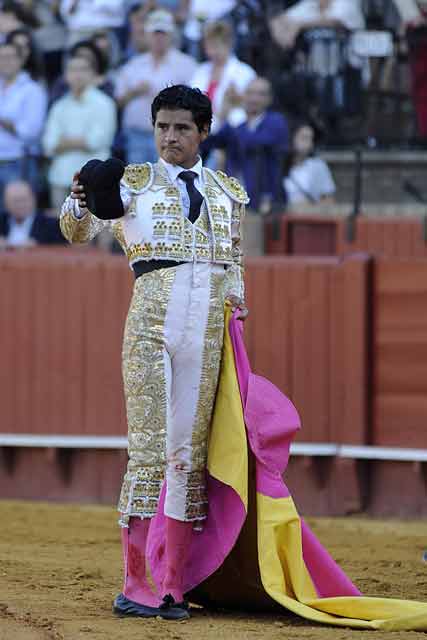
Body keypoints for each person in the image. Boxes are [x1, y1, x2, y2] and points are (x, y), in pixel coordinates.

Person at [59, 84, 248, 620]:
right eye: (162, 126)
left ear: (203, 132)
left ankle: (173, 584)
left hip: (207, 329)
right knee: (149, 449)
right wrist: (79, 193)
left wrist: (236, 319)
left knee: (187, 456)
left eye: (182, 128)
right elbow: (76, 232)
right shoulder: (131, 184)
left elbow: (234, 266)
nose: (170, 137)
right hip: (150, 326)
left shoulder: (228, 192)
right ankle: (135, 583)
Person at [115, 9, 197, 164]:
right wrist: (134, 92)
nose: (159, 38)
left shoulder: (187, 65)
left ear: (171, 35)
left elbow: (196, 102)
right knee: (138, 184)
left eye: (163, 34)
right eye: (155, 33)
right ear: (147, 35)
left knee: (168, 184)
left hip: (173, 136)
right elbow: (118, 101)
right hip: (136, 134)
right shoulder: (132, 66)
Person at [202, 76, 289, 210]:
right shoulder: (237, 124)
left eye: (261, 94)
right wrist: (221, 115)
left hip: (266, 202)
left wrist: (234, 114)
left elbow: (251, 142)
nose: (254, 99)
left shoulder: (276, 122)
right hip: (235, 200)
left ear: (269, 99)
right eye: (250, 93)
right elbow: (209, 142)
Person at [43, 55, 117, 211]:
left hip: (94, 179)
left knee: (97, 230)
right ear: (66, 75)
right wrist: (79, 141)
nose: (78, 74)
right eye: (73, 69)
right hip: (61, 177)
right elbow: (48, 144)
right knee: (63, 231)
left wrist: (64, 142)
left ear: (93, 74)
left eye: (83, 69)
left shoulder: (104, 104)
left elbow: (97, 141)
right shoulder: (59, 106)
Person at [0, 41, 47, 207]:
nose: (5, 61)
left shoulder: (32, 90)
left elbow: (31, 132)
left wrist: (5, 123)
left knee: (17, 213)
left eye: (10, 57)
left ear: (21, 60)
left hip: (18, 161)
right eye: (2, 57)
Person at [190, 20, 256, 132]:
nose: (211, 52)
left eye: (216, 46)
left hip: (233, 132)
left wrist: (238, 100)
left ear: (228, 44)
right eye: (208, 46)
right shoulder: (200, 71)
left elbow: (254, 109)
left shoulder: (244, 72)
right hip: (202, 133)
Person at [0, 180, 65, 247]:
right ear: (6, 203)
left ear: (33, 199)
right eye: (15, 201)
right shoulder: (2, 221)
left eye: (23, 200)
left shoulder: (51, 225)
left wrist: (38, 245)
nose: (20, 205)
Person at [283, 122, 336, 205]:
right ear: (291, 138)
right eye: (304, 138)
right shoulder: (279, 165)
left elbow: (329, 199)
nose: (309, 143)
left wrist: (310, 206)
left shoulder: (318, 166)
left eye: (311, 139)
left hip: (307, 215)